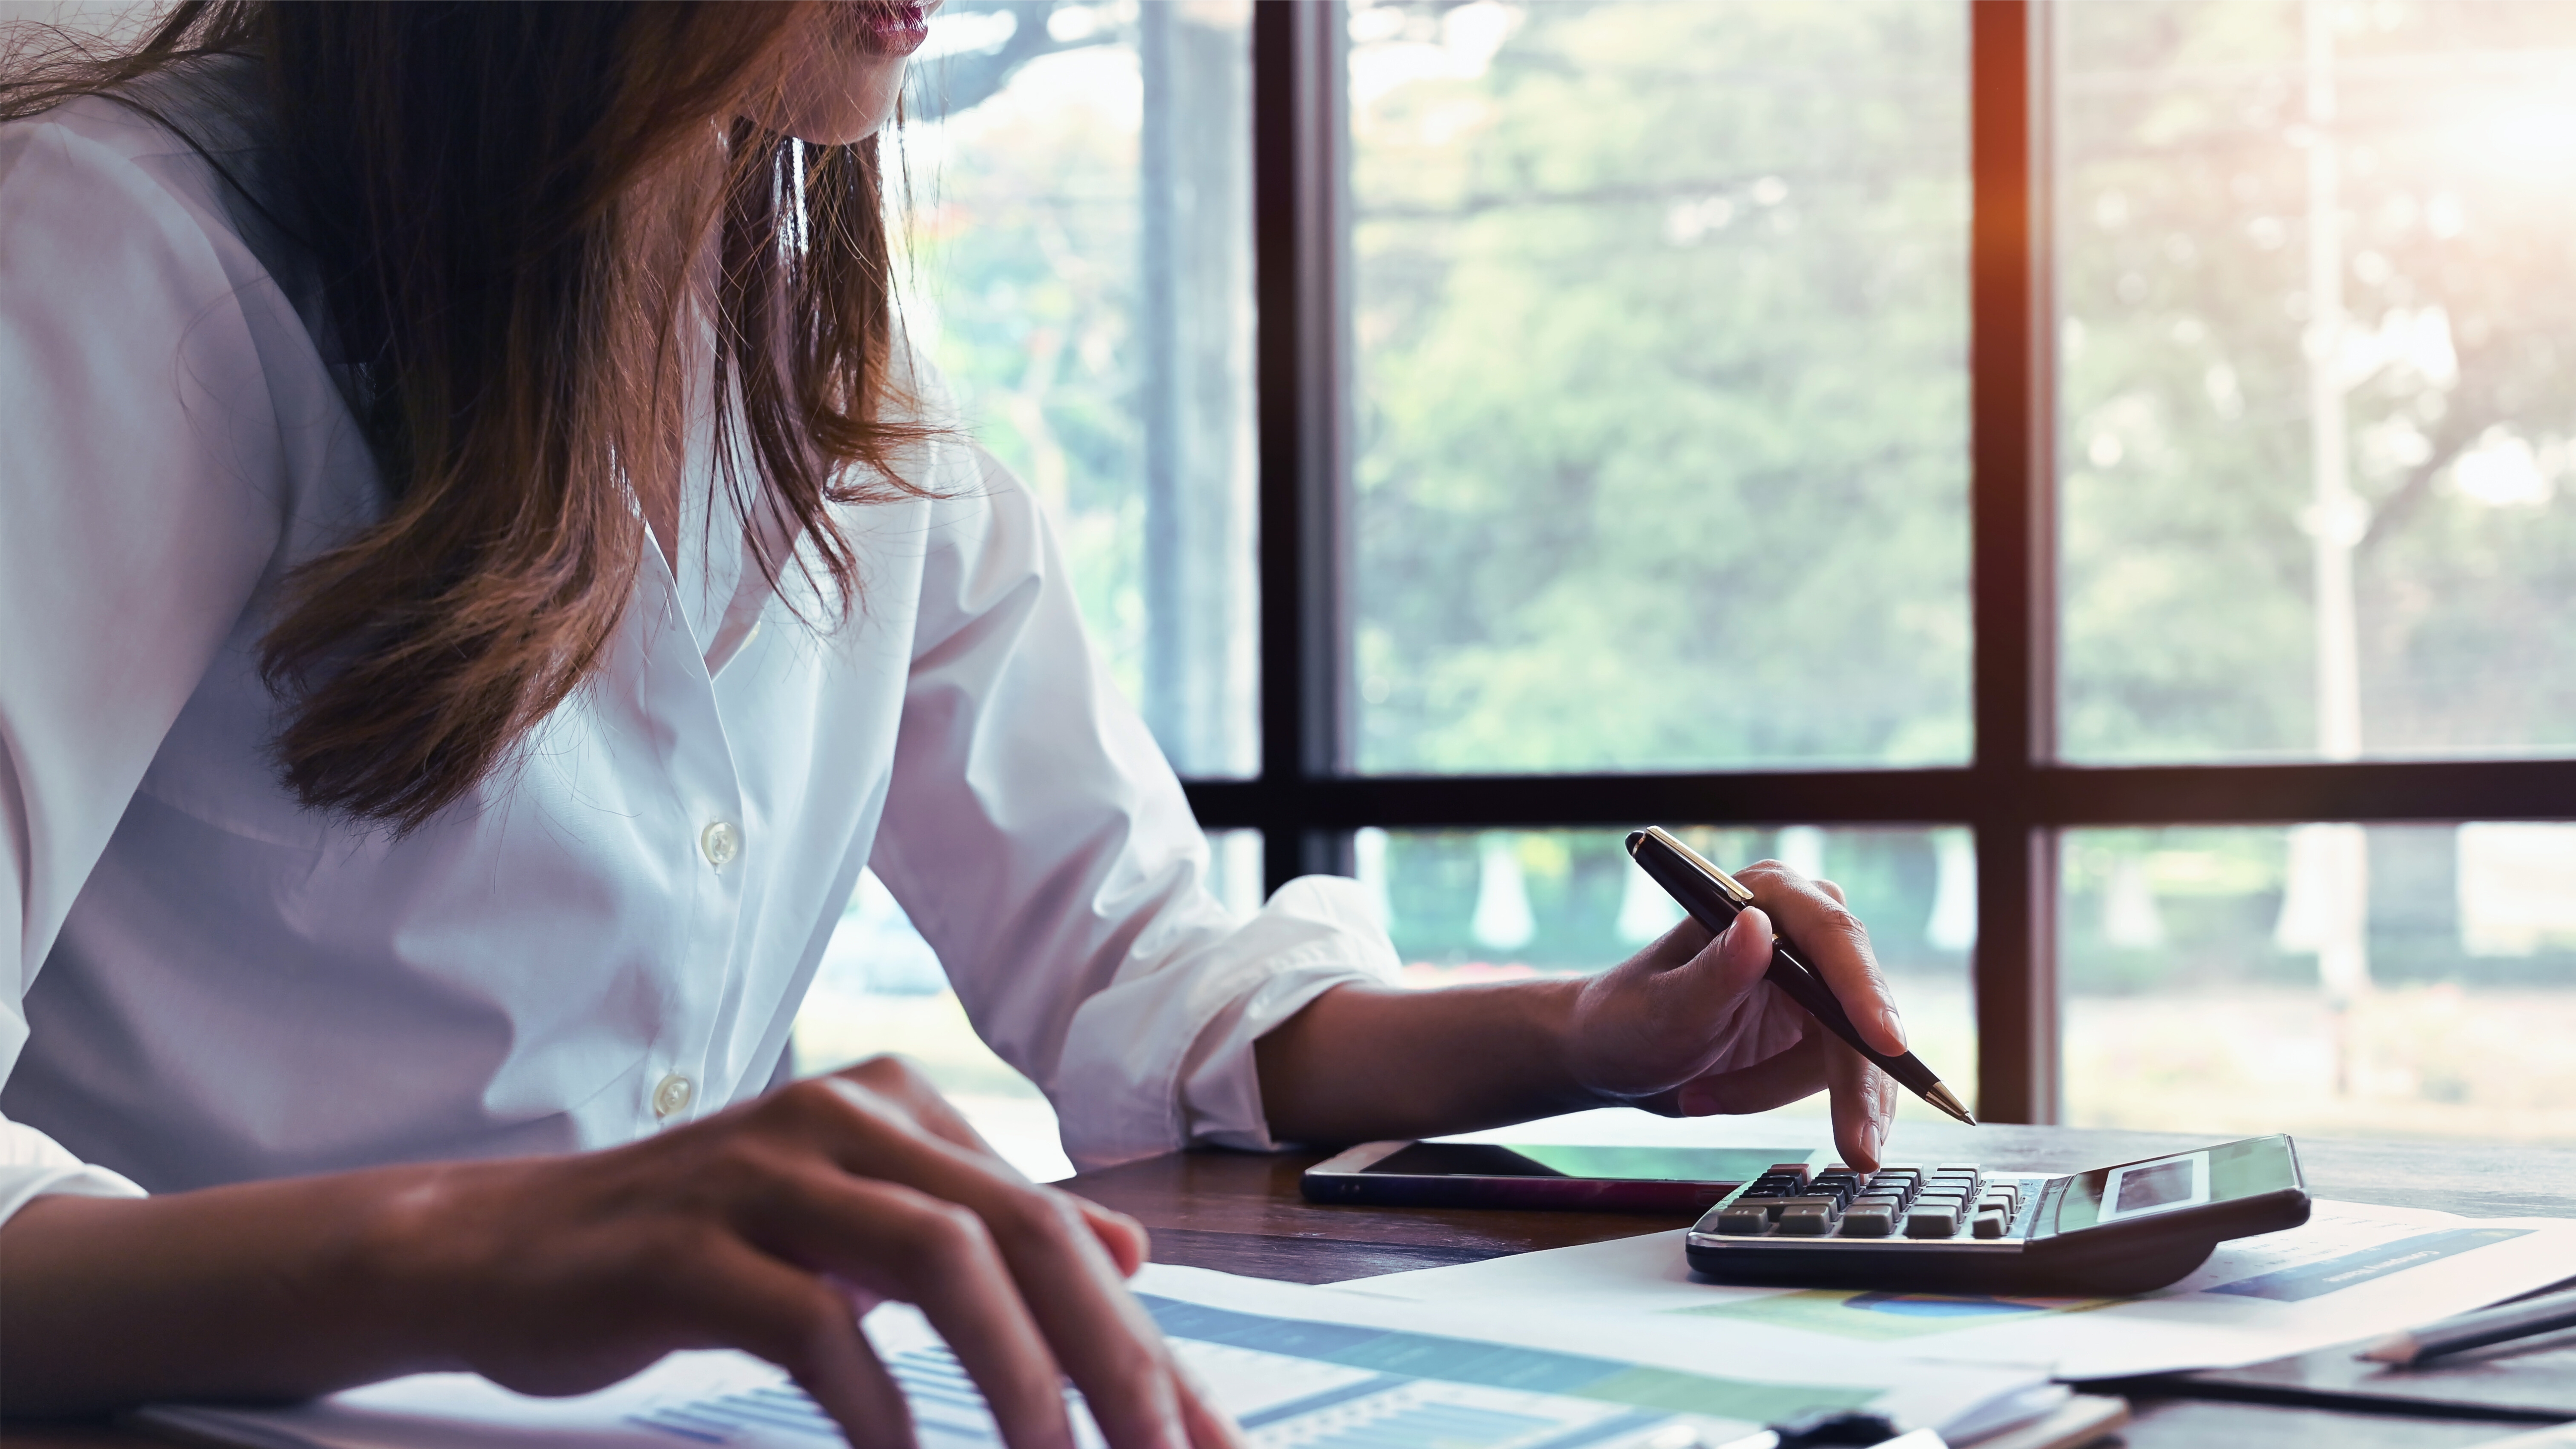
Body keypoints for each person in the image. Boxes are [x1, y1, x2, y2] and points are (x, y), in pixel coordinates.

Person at [0, 3, 1911, 1445]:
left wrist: (1601, 1031)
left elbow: (1142, 972)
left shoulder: (818, 354)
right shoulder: (122, 254)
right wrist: (482, 1243)